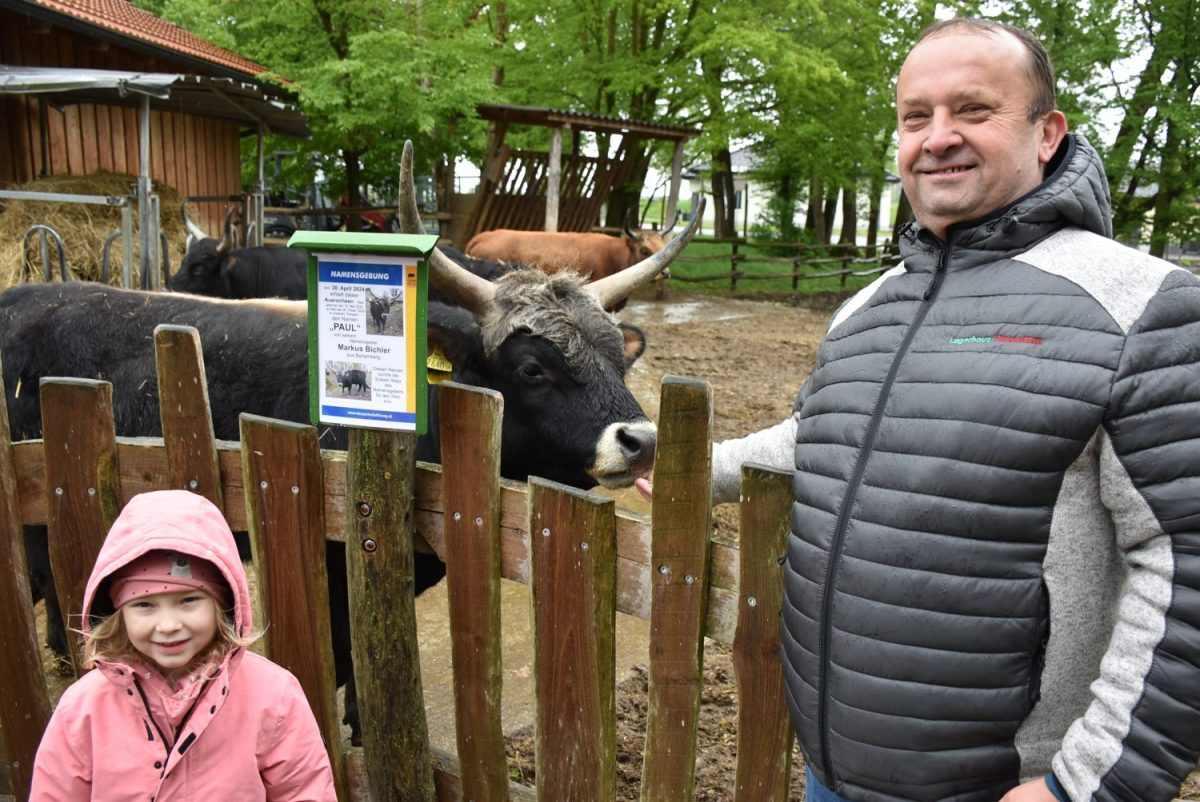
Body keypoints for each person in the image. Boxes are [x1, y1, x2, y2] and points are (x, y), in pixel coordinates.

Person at [639, 17, 1200, 802]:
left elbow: (1185, 566)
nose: (938, 138)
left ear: (1047, 134)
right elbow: (823, 438)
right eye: (916, 116)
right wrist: (690, 466)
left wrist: (1090, 785)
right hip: (834, 770)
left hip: (1008, 786)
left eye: (973, 110)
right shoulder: (867, 307)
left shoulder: (1143, 307)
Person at [29, 490, 337, 801]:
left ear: (223, 604)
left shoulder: (273, 696)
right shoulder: (84, 709)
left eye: (188, 601)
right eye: (145, 605)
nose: (168, 625)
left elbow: (304, 790)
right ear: (118, 614)